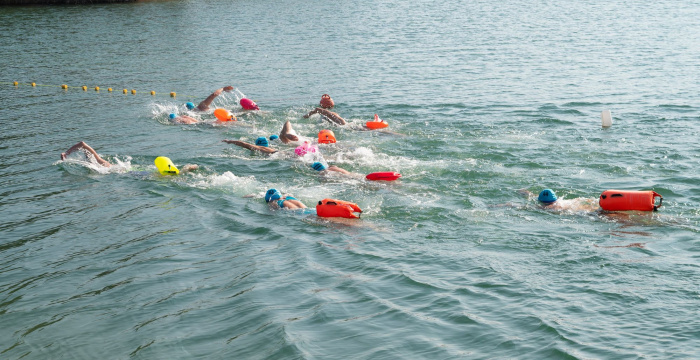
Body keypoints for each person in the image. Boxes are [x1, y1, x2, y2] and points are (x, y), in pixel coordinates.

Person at [60, 141, 199, 172]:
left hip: (122, 171)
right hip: (124, 169)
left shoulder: (100, 163)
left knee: (153, 175)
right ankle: (183, 170)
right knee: (153, 173)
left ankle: (183, 170)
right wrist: (68, 153)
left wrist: (67, 153)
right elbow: (84, 146)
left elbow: (83, 144)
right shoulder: (100, 163)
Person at [222, 121, 303, 153]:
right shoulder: (277, 147)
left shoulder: (268, 151)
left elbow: (246, 144)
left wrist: (230, 141)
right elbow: (287, 122)